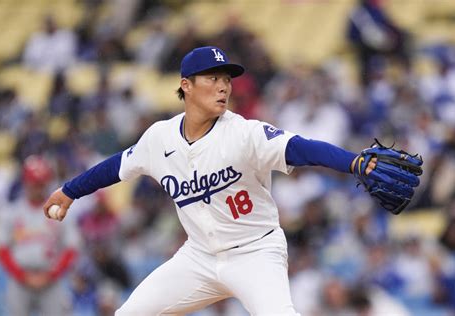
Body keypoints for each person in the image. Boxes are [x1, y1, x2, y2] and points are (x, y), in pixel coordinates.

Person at [43, 46, 377, 315]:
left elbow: (301, 148)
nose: (223, 87)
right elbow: (116, 166)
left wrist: (353, 162)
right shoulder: (159, 138)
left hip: (255, 252)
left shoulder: (244, 133)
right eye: (213, 78)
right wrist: (70, 191)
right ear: (186, 85)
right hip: (199, 257)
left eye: (227, 80)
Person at [0, 155, 80, 315]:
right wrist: (22, 275)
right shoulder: (11, 212)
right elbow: (2, 250)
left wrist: (51, 274)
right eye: (34, 183)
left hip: (51, 278)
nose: (37, 187)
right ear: (25, 183)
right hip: (20, 277)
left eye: (41, 183)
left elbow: (72, 249)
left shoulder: (61, 212)